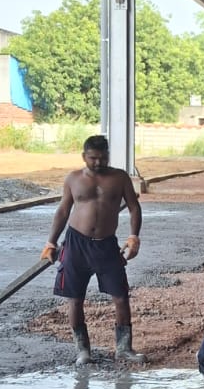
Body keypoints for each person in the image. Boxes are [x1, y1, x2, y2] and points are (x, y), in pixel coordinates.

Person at [42, 134, 143, 366]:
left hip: (107, 244)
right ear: (84, 156)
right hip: (76, 244)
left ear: (108, 156)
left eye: (102, 158)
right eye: (93, 158)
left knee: (120, 296)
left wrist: (134, 237)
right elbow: (63, 212)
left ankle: (124, 348)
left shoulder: (119, 178)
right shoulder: (73, 179)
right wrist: (51, 242)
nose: (98, 163)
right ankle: (83, 351)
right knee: (75, 298)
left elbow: (134, 208)